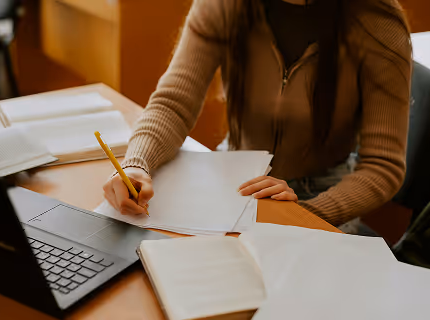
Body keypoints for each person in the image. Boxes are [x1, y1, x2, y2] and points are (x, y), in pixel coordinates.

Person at [103, 0, 412, 227]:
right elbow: (173, 103)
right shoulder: (224, 6)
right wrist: (135, 165)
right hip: (237, 172)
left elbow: (383, 166)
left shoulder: (377, 21)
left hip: (322, 191)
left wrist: (305, 213)